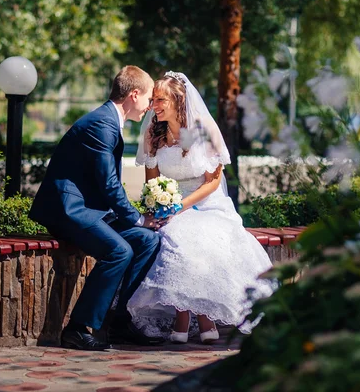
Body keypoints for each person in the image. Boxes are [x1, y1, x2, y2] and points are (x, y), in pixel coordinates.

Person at [128, 71, 276, 344]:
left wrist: (179, 207)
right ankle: (201, 320)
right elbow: (153, 182)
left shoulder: (204, 130)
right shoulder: (152, 131)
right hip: (170, 205)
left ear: (178, 101)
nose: (153, 106)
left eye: (160, 100)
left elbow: (213, 181)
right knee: (175, 237)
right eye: (153, 100)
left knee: (192, 238)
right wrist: (159, 205)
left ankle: (185, 319)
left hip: (207, 204)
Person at [29, 65, 165, 351]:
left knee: (148, 240)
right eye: (149, 99)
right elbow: (109, 184)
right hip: (70, 210)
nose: (150, 105)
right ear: (134, 94)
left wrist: (140, 224)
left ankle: (116, 322)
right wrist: (138, 217)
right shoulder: (101, 124)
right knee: (119, 251)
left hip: (93, 211)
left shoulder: (110, 122)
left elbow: (106, 186)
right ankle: (78, 329)